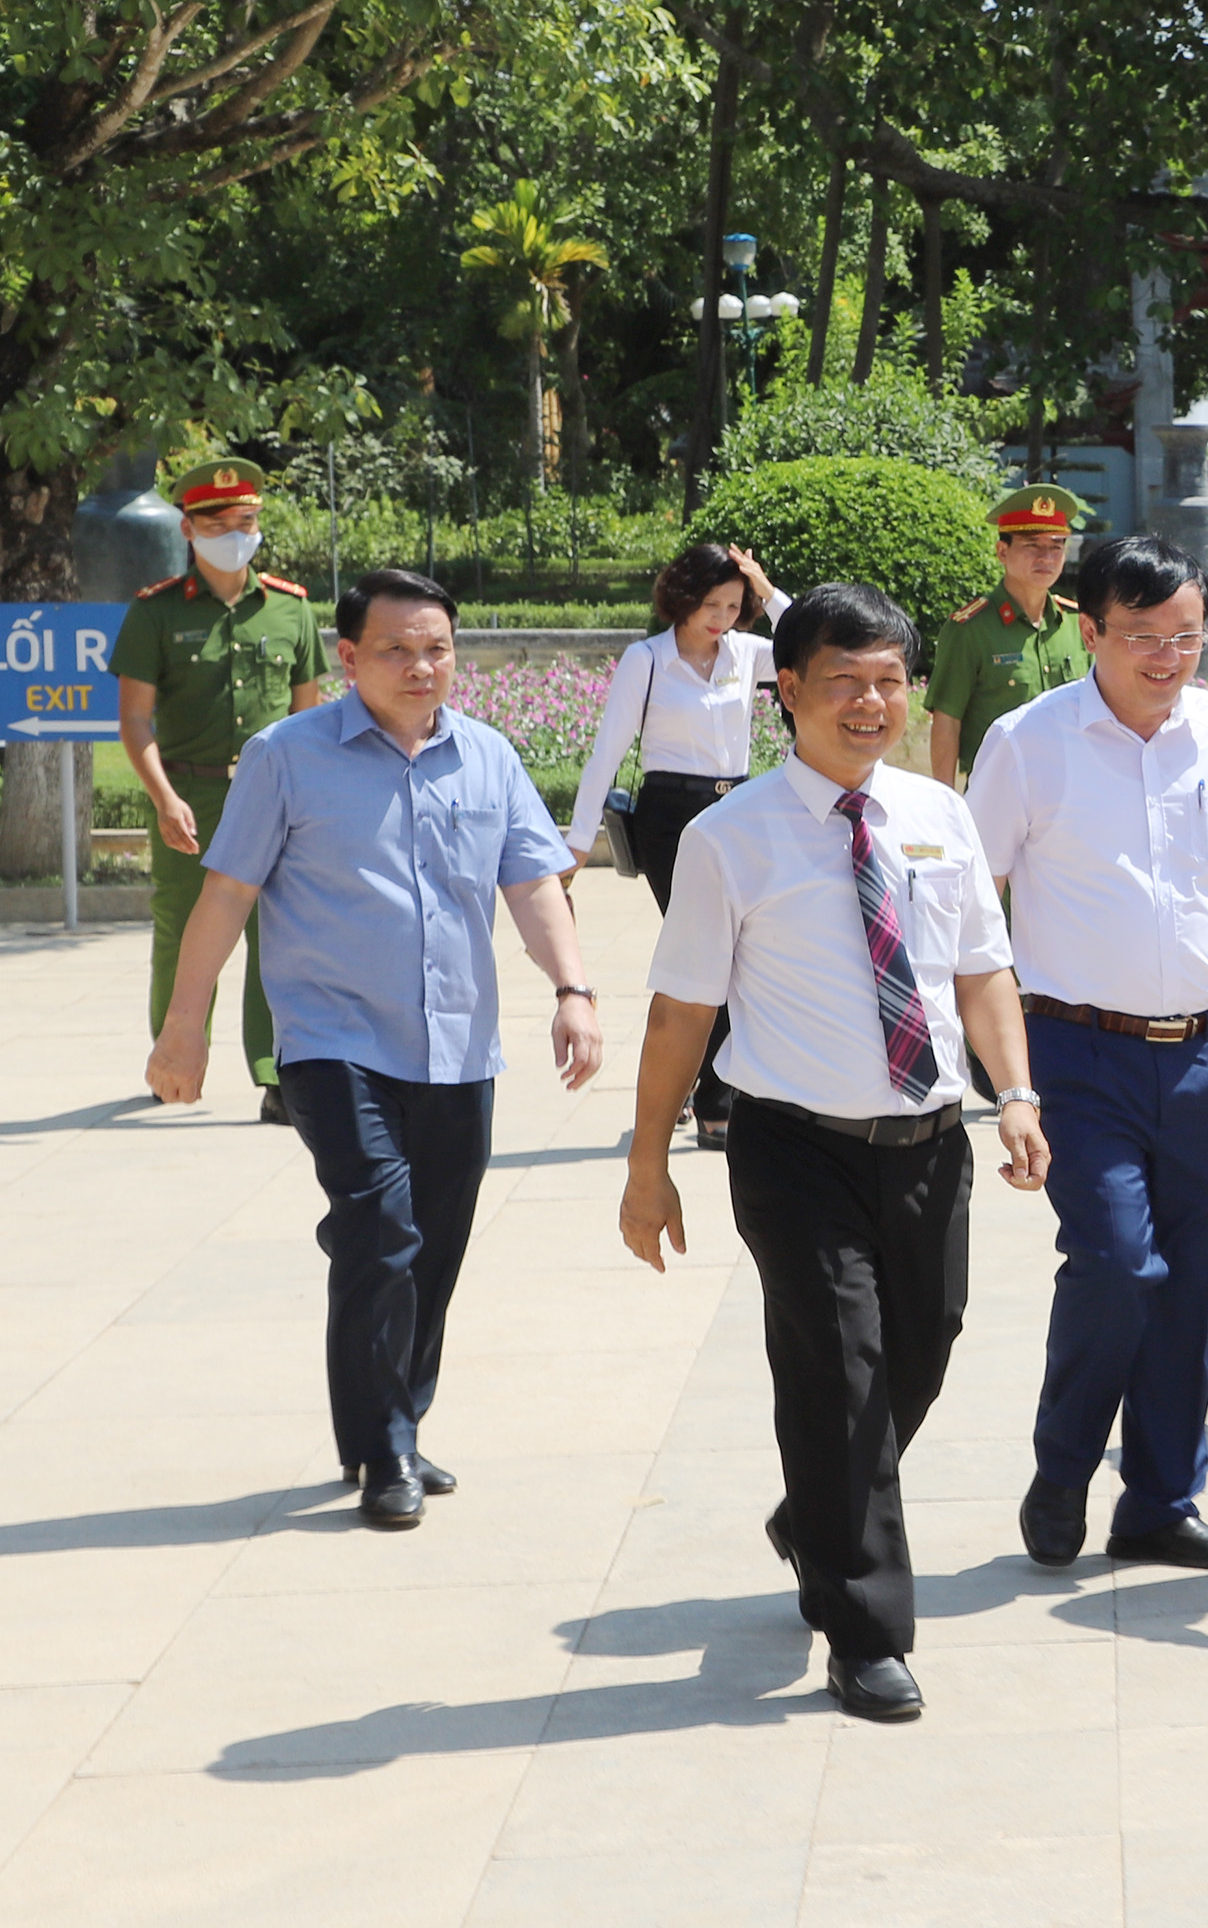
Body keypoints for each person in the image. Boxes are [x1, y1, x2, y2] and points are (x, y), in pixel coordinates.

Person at [619, 583, 1047, 1724]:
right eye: (844, 681)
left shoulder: (936, 815)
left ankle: (818, 1513)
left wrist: (1017, 1094)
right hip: (792, 1147)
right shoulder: (728, 837)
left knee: (925, 1347)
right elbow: (679, 1014)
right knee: (841, 1372)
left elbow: (981, 969)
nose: (871, 702)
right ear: (789, 693)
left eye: (889, 680)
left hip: (926, 1140)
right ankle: (863, 1629)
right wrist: (647, 1164)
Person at [143, 568, 600, 1527]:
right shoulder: (286, 756)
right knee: (381, 1225)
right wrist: (185, 1025)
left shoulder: (486, 757)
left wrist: (573, 991)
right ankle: (388, 1444)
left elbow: (532, 884)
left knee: (427, 1246)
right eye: (396, 649)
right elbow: (225, 893)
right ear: (347, 659)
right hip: (331, 1037)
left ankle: (393, 1420)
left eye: (436, 647)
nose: (421, 666)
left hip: (456, 1044)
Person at [965, 532, 1208, 1574]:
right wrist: (1005, 1079)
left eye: (1186, 638)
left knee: (1196, 1281)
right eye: (1141, 638)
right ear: (1089, 631)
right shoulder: (1028, 743)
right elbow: (969, 908)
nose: (1167, 658)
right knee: (1118, 1263)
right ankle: (1066, 1462)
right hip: (1078, 1050)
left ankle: (1161, 1501)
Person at [115, 456, 327, 1122]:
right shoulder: (155, 614)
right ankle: (176, 1054)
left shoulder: (290, 609)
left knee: (278, 933)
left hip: (271, 798)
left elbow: (308, 719)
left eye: (248, 520)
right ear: (190, 528)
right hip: (190, 796)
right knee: (183, 931)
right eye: (223, 522)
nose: (238, 533)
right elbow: (134, 718)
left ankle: (277, 1074)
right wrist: (162, 797)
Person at [564, 541, 788, 1142]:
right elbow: (608, 750)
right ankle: (716, 1106)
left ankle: (700, 1084)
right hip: (672, 819)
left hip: (738, 809)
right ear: (683, 600)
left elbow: (811, 643)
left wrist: (765, 590)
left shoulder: (746, 652)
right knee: (711, 953)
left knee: (745, 953)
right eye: (710, 603)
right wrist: (578, 843)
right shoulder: (648, 659)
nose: (721, 617)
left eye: (733, 604)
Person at [923, 483, 1095, 788]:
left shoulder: (1076, 624)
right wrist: (946, 802)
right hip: (997, 789)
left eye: (1056, 546)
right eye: (1032, 545)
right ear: (1003, 551)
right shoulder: (970, 630)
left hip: (1070, 787)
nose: (1046, 557)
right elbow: (947, 721)